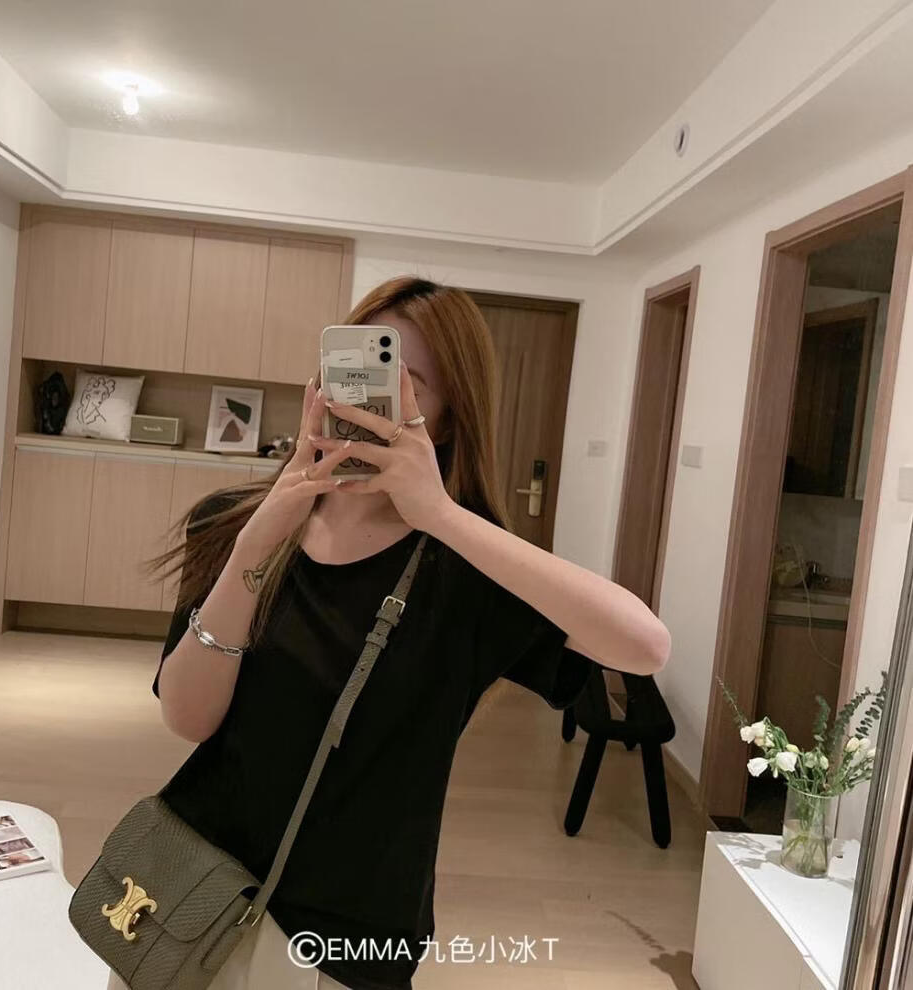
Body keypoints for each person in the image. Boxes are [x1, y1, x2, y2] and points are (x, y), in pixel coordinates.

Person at [111, 276, 671, 990]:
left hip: (352, 936)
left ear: (445, 422)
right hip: (194, 893)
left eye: (403, 384)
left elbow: (644, 646)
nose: (360, 399)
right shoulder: (233, 521)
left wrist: (440, 514)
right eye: (352, 370)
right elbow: (188, 718)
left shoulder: (463, 567)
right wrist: (257, 543)